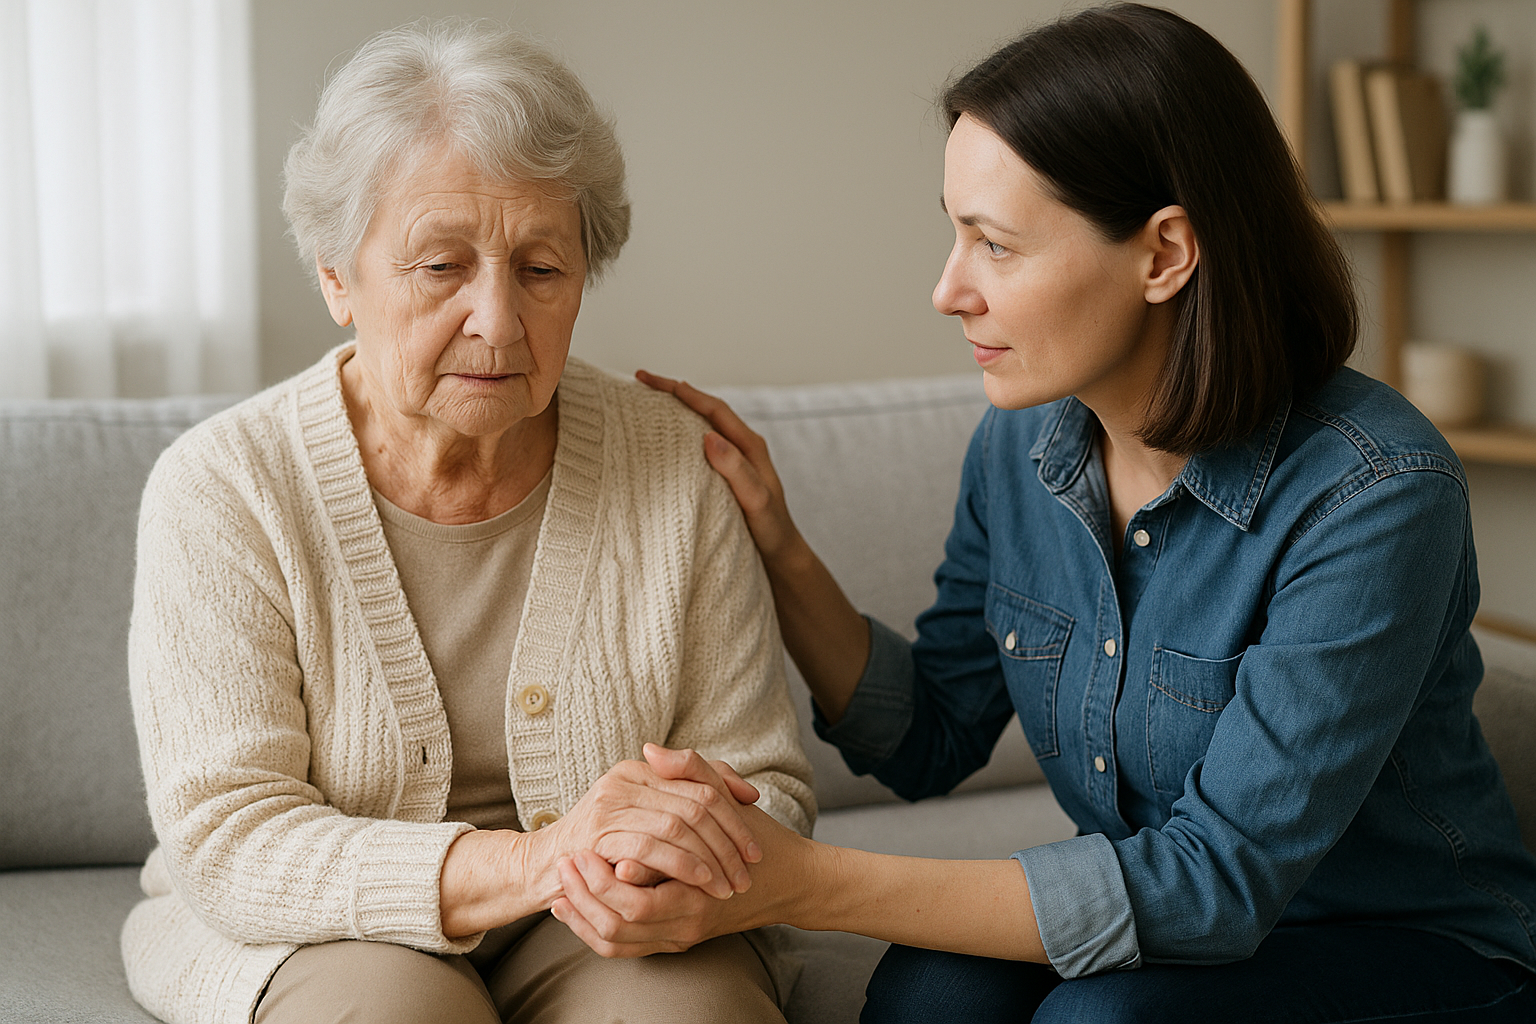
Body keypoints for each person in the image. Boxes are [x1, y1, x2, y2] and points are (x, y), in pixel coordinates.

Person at [546, 5, 1536, 1021]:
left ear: (1163, 255)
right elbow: (932, 734)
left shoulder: (1374, 491)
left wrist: (799, 878)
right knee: (927, 993)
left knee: (1098, 1021)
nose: (947, 289)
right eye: (953, 231)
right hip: (1180, 919)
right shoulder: (1022, 450)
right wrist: (779, 546)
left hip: (1406, 944)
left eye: (996, 245)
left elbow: (1215, 885)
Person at [121, 20, 813, 1024]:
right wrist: (534, 858)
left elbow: (764, 781)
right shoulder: (225, 488)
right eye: (440, 266)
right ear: (335, 274)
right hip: (315, 926)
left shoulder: (668, 464)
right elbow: (231, 835)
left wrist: (661, 863)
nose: (498, 319)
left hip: (597, 921)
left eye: (541, 270)